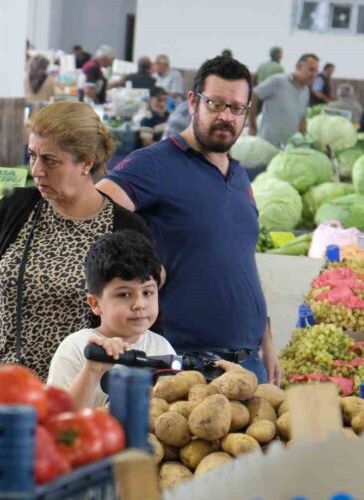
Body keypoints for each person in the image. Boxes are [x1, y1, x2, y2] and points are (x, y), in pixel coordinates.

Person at [0, 101, 152, 382]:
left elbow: (141, 313)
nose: (36, 170)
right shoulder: (16, 208)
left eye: (50, 160)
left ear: (86, 162)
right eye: (32, 155)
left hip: (73, 391)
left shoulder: (124, 230)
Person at [97, 56, 280, 385]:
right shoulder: (155, 164)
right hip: (184, 364)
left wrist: (266, 338)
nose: (226, 116)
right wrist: (145, 265)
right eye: (216, 104)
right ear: (193, 102)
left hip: (247, 361)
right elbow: (96, 210)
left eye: (236, 108)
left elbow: (242, 262)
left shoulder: (238, 176)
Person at [47, 231, 174, 408]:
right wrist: (92, 371)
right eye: (124, 294)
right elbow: (58, 418)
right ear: (95, 303)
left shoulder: (162, 347)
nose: (139, 304)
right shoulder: (76, 348)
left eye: (147, 292)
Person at [248, 53, 318, 147]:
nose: (314, 74)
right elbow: (253, 95)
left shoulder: (305, 91)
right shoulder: (278, 81)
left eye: (316, 71)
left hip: (289, 148)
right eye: (311, 69)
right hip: (267, 145)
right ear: (298, 67)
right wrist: (252, 126)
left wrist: (304, 143)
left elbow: (302, 120)